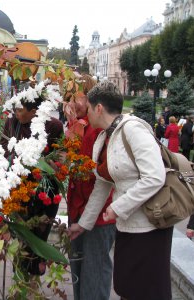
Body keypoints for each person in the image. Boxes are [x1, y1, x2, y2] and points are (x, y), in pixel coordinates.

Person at [69, 81, 172, 300]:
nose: (86, 113)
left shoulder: (133, 129)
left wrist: (117, 208)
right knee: (126, 287)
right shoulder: (104, 137)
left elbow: (155, 176)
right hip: (127, 227)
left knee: (145, 290)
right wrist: (84, 224)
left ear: (98, 108)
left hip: (150, 228)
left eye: (88, 108)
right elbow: (102, 183)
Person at [0, 89, 63, 275]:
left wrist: (52, 163)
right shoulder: (12, 123)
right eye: (15, 109)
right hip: (19, 192)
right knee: (21, 239)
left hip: (45, 193)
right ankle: (21, 283)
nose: (16, 113)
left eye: (20, 110)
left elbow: (61, 159)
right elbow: (3, 150)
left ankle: (33, 281)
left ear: (35, 111)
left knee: (38, 240)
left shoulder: (54, 126)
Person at [64, 75, 116, 300]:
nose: (71, 102)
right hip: (78, 209)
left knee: (94, 274)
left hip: (98, 214)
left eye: (77, 97)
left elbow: (101, 177)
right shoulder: (77, 123)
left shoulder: (101, 129)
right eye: (69, 97)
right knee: (78, 270)